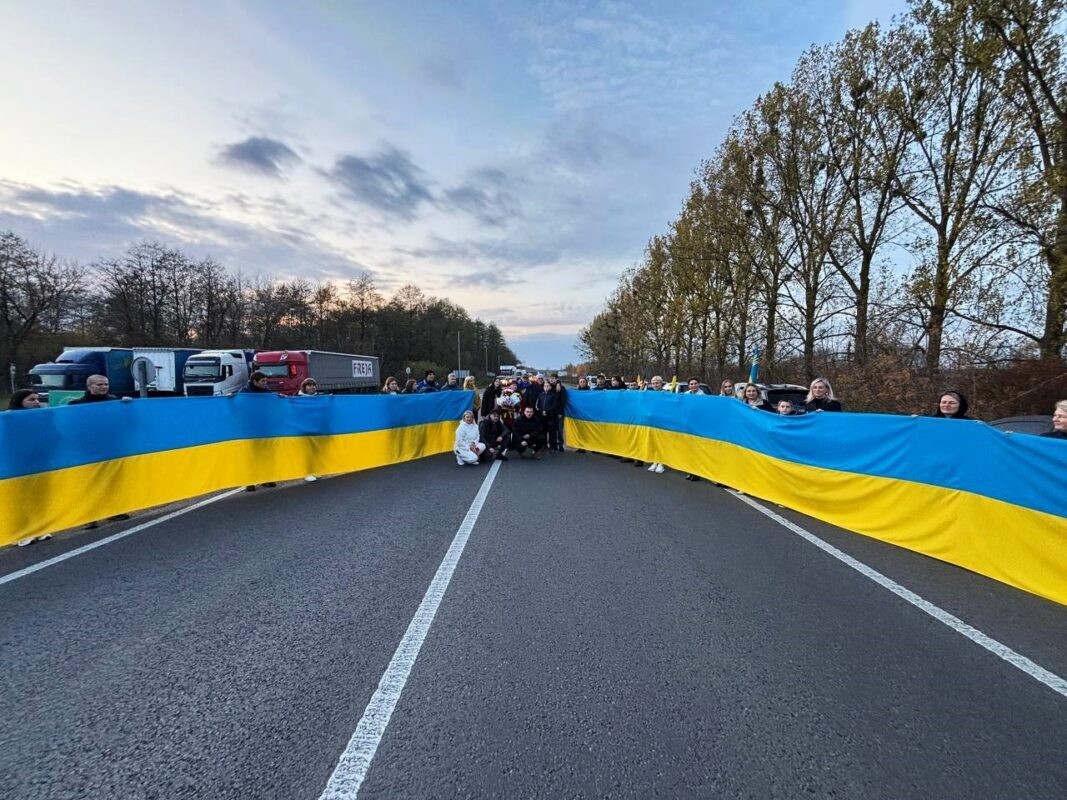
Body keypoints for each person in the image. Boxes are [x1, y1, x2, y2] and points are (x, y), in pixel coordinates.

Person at [241, 371, 277, 491]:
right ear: (254, 381)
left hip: (265, 427)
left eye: (266, 381)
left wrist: (281, 398)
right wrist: (230, 398)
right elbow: (237, 405)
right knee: (251, 455)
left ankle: (265, 478)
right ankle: (249, 481)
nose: (265, 383)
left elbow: (274, 402)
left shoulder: (267, 392)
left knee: (265, 454)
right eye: (263, 381)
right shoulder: (245, 393)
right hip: (250, 429)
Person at [535, 376, 563, 452]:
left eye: (547, 386)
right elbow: (537, 405)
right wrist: (542, 411)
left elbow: (555, 405)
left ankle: (552, 446)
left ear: (550, 387)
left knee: (552, 433)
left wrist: (546, 411)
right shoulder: (540, 395)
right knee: (543, 432)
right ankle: (544, 446)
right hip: (542, 417)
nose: (546, 387)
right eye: (545, 386)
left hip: (550, 416)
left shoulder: (553, 395)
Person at [645, 376, 666, 474]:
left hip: (662, 422)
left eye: (657, 383)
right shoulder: (649, 393)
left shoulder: (666, 394)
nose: (655, 385)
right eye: (653, 383)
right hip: (651, 422)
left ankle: (661, 462)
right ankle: (655, 461)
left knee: (661, 442)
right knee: (653, 442)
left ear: (661, 383)